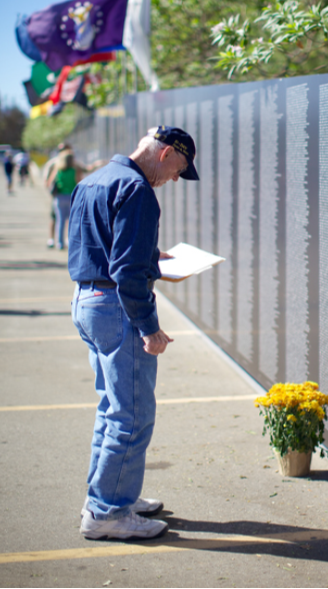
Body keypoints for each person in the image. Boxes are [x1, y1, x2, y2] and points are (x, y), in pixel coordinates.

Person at [69, 126, 200, 541]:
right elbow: (125, 272)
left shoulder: (95, 179)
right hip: (117, 308)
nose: (177, 178)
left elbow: (93, 247)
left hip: (87, 301)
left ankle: (108, 495)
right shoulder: (138, 190)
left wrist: (148, 253)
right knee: (132, 414)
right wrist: (150, 328)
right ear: (165, 155)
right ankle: (108, 512)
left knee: (112, 407)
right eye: (180, 168)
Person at [47, 151, 80, 250]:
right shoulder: (74, 170)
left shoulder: (58, 170)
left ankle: (60, 243)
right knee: (71, 221)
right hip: (72, 197)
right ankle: (71, 242)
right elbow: (79, 182)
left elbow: (50, 182)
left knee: (60, 221)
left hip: (59, 197)